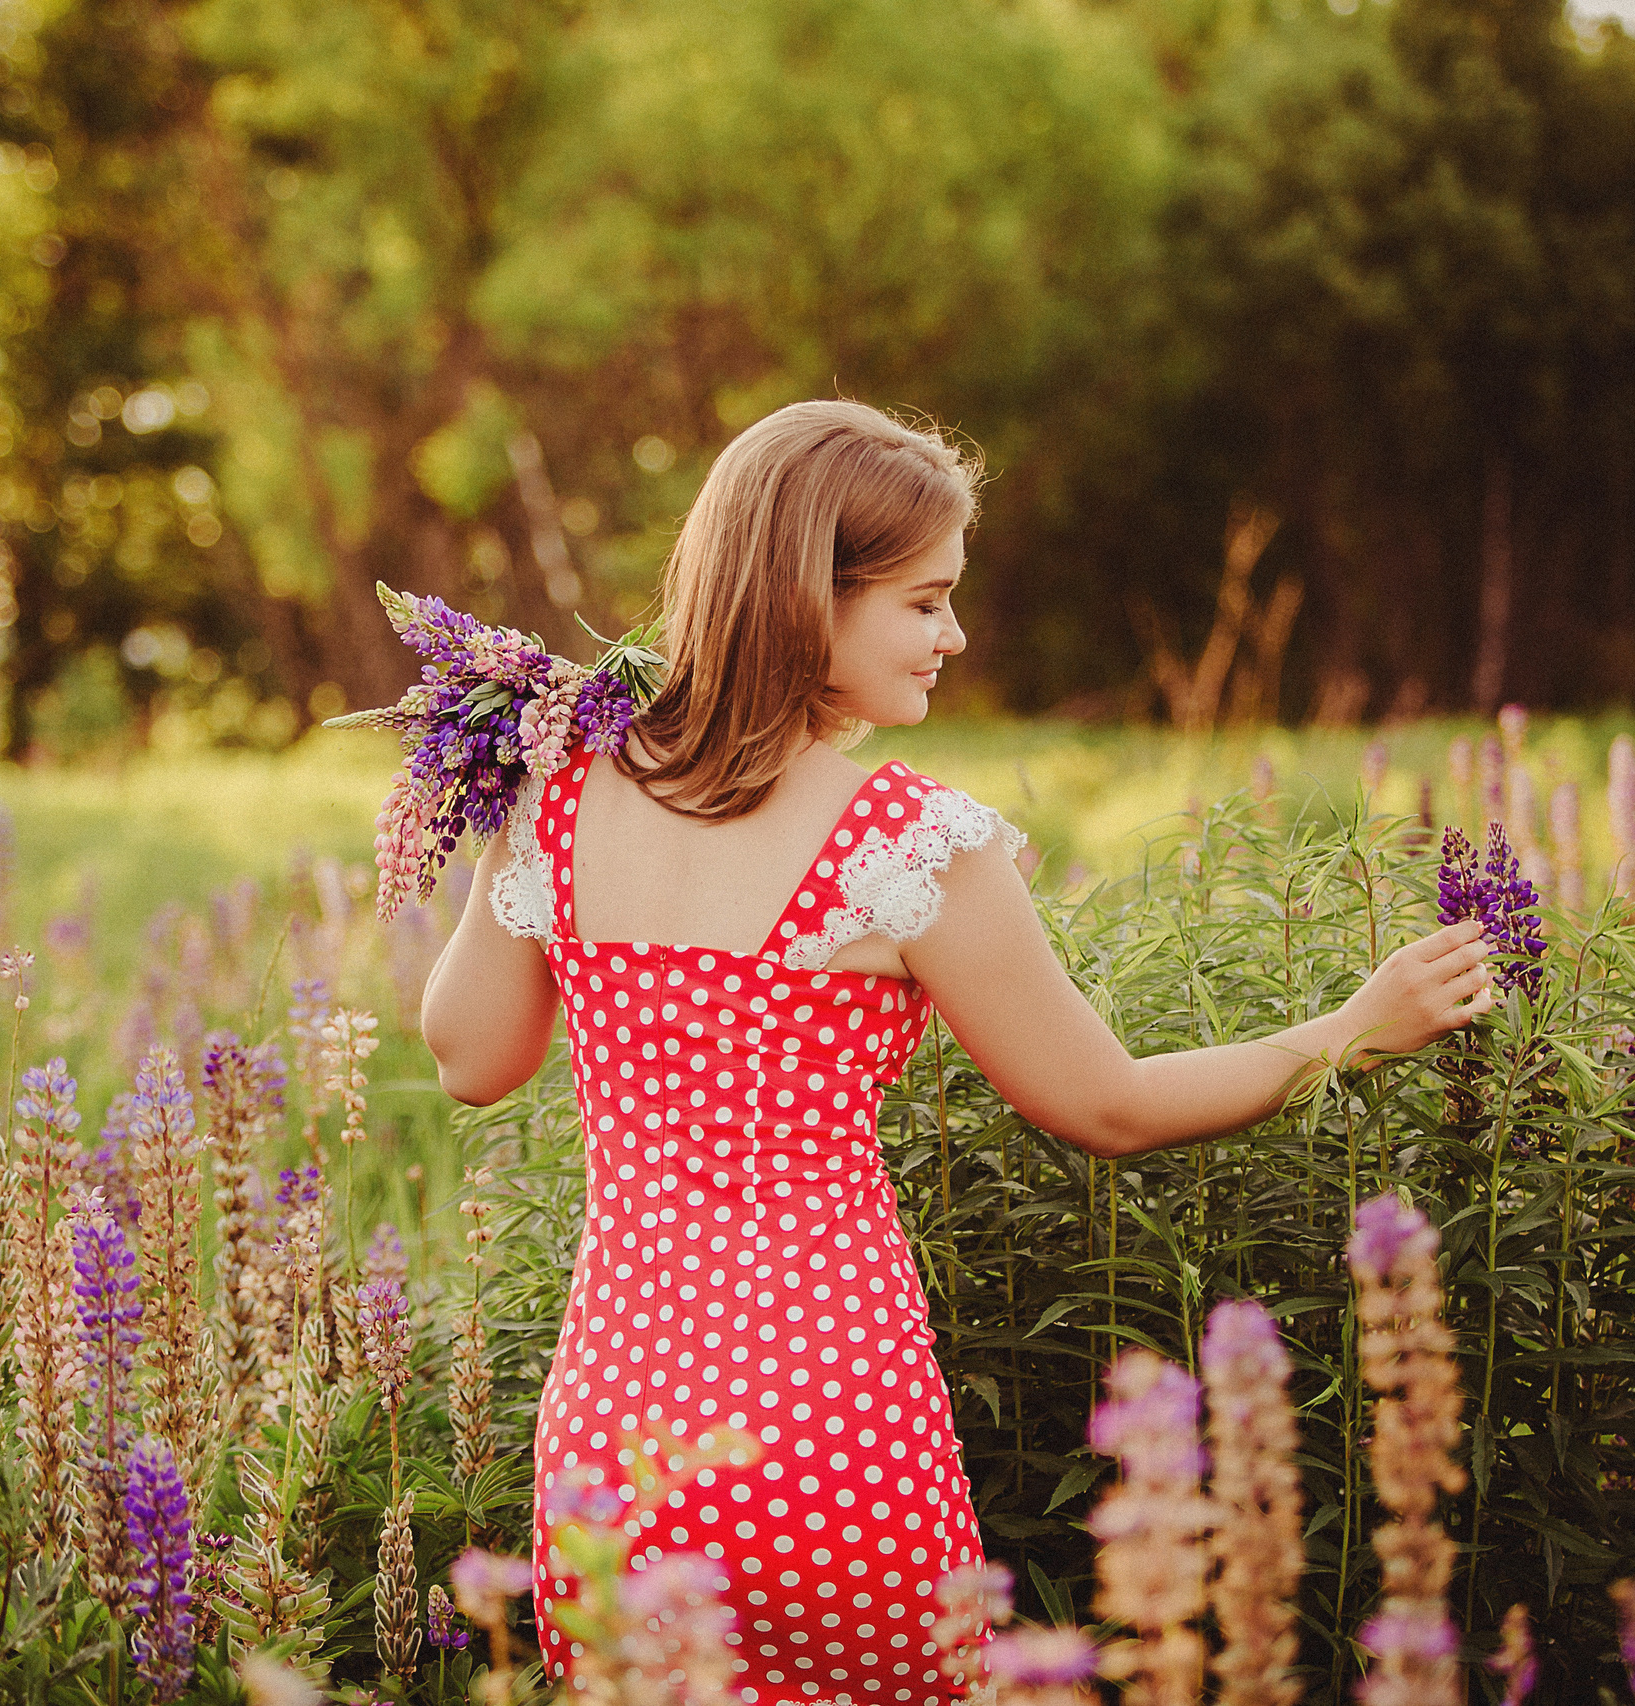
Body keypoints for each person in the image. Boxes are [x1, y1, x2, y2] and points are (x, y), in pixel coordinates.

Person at [418, 399, 1491, 1706]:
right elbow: (1108, 1105)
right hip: (834, 1418)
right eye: (924, 602)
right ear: (815, 594)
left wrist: (511, 792)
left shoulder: (565, 791)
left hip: (621, 1421)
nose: (955, 635)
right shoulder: (903, 841)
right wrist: (1347, 1029)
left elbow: (472, 1056)